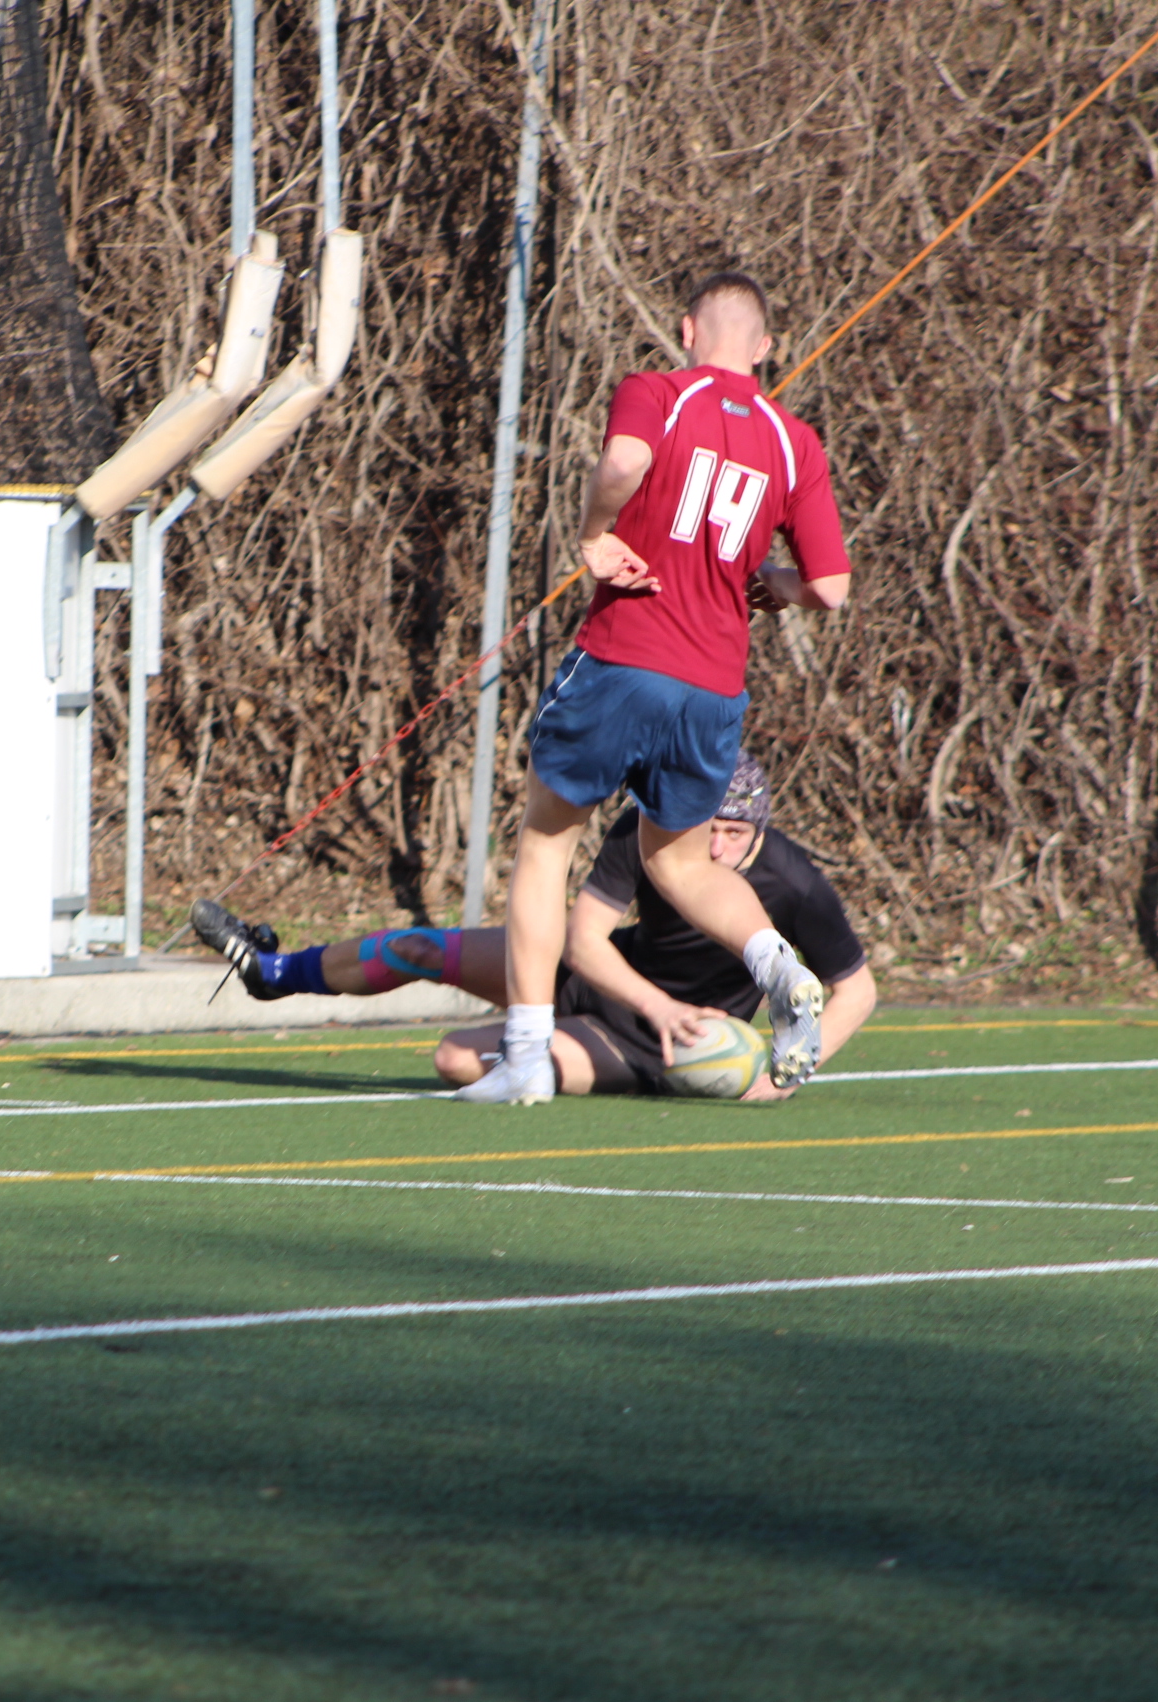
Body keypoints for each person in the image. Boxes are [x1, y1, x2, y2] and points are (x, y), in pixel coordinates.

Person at [458, 270, 853, 1105]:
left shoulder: (658, 392)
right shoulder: (795, 442)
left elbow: (624, 460)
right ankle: (778, 965)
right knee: (678, 864)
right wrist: (771, 584)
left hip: (624, 659)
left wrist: (594, 533)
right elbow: (830, 587)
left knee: (546, 843)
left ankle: (525, 1057)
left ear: (686, 331)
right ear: (765, 348)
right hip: (713, 690)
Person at [192, 753, 874, 1099]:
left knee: (454, 1060)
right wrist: (654, 1000)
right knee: (416, 946)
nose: (716, 848)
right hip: (605, 977)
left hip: (646, 1046)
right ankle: (273, 972)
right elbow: (582, 940)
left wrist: (786, 1073)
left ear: (760, 828)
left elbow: (857, 989)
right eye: (707, 828)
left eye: (733, 833)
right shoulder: (651, 830)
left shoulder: (793, 881)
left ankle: (603, 1065)